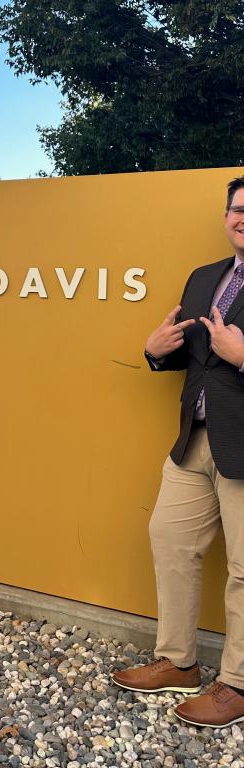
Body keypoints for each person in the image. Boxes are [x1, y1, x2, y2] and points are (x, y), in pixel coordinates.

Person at [111, 176, 244, 729]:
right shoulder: (205, 277)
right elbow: (194, 351)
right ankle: (179, 661)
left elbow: (230, 354)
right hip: (196, 437)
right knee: (170, 540)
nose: (243, 217)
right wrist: (154, 351)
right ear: (226, 216)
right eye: (237, 208)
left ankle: (237, 684)